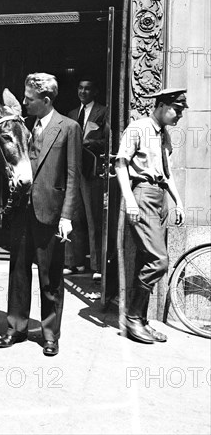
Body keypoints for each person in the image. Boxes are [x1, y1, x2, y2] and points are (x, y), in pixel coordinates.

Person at [0, 73, 82, 356]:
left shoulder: (68, 128)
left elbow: (72, 176)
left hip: (51, 214)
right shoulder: (22, 127)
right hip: (22, 213)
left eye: (29, 99)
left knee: (51, 278)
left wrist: (66, 216)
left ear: (45, 100)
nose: (24, 102)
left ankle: (49, 334)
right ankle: (16, 328)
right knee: (18, 273)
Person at [115, 88, 187, 343]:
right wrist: (130, 200)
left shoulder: (165, 135)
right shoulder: (138, 128)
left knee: (147, 257)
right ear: (162, 105)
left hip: (160, 196)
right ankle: (132, 318)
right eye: (177, 110)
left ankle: (141, 321)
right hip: (142, 194)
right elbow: (120, 164)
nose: (179, 115)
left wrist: (178, 202)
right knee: (159, 261)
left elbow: (166, 174)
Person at [65, 79, 108, 281]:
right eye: (80, 87)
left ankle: (97, 265)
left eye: (88, 88)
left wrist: (90, 142)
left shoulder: (103, 111)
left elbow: (109, 140)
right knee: (74, 216)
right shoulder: (72, 114)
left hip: (92, 172)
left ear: (95, 91)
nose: (83, 91)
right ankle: (75, 262)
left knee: (93, 219)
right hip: (74, 171)